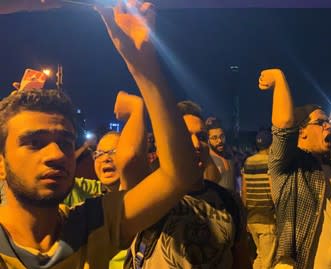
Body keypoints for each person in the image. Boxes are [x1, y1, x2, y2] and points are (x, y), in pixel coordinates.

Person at [0, 1, 200, 268]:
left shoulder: (90, 225)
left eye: (66, 142)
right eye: (34, 143)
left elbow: (178, 176)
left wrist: (144, 64)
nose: (56, 154)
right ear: (1, 164)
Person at [124, 100, 251, 269]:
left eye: (202, 137)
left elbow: (241, 262)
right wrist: (137, 107)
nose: (197, 145)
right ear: (161, 148)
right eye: (184, 136)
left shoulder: (230, 202)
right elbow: (130, 158)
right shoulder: (147, 195)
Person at [259, 68, 331, 269]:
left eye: (328, 122)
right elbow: (284, 126)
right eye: (320, 122)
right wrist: (279, 77)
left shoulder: (329, 168)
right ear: (301, 131)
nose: (328, 126)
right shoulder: (288, 166)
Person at [241, 129, 276, 269]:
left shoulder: (248, 161)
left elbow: (244, 190)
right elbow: (273, 190)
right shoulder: (272, 162)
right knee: (268, 261)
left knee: (260, 255)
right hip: (267, 218)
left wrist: (245, 217)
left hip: (252, 218)